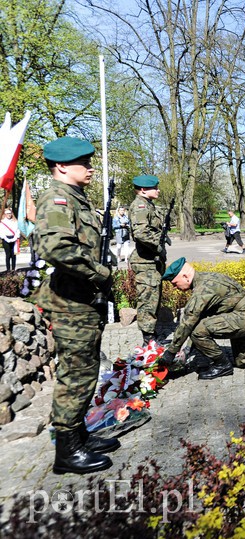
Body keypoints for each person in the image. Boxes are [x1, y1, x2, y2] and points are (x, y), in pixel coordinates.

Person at [34, 136, 119, 474]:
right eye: (84, 162)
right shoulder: (57, 201)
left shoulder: (76, 198)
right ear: (62, 166)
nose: (91, 167)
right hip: (71, 302)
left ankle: (79, 434)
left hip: (83, 301)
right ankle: (66, 453)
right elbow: (55, 248)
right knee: (76, 374)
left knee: (85, 370)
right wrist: (99, 271)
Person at [159, 258, 245, 380]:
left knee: (198, 331)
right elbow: (199, 317)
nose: (175, 288)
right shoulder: (208, 277)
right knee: (242, 361)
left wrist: (171, 352)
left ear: (185, 277)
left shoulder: (202, 291)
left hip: (243, 319)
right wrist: (187, 350)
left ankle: (222, 365)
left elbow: (188, 323)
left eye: (175, 284)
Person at [130, 174, 167, 345]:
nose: (158, 190)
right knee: (147, 301)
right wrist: (158, 244)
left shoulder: (149, 205)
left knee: (154, 299)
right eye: (155, 188)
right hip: (145, 261)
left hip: (152, 261)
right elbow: (141, 233)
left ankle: (153, 335)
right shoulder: (140, 206)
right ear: (143, 190)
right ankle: (148, 340)